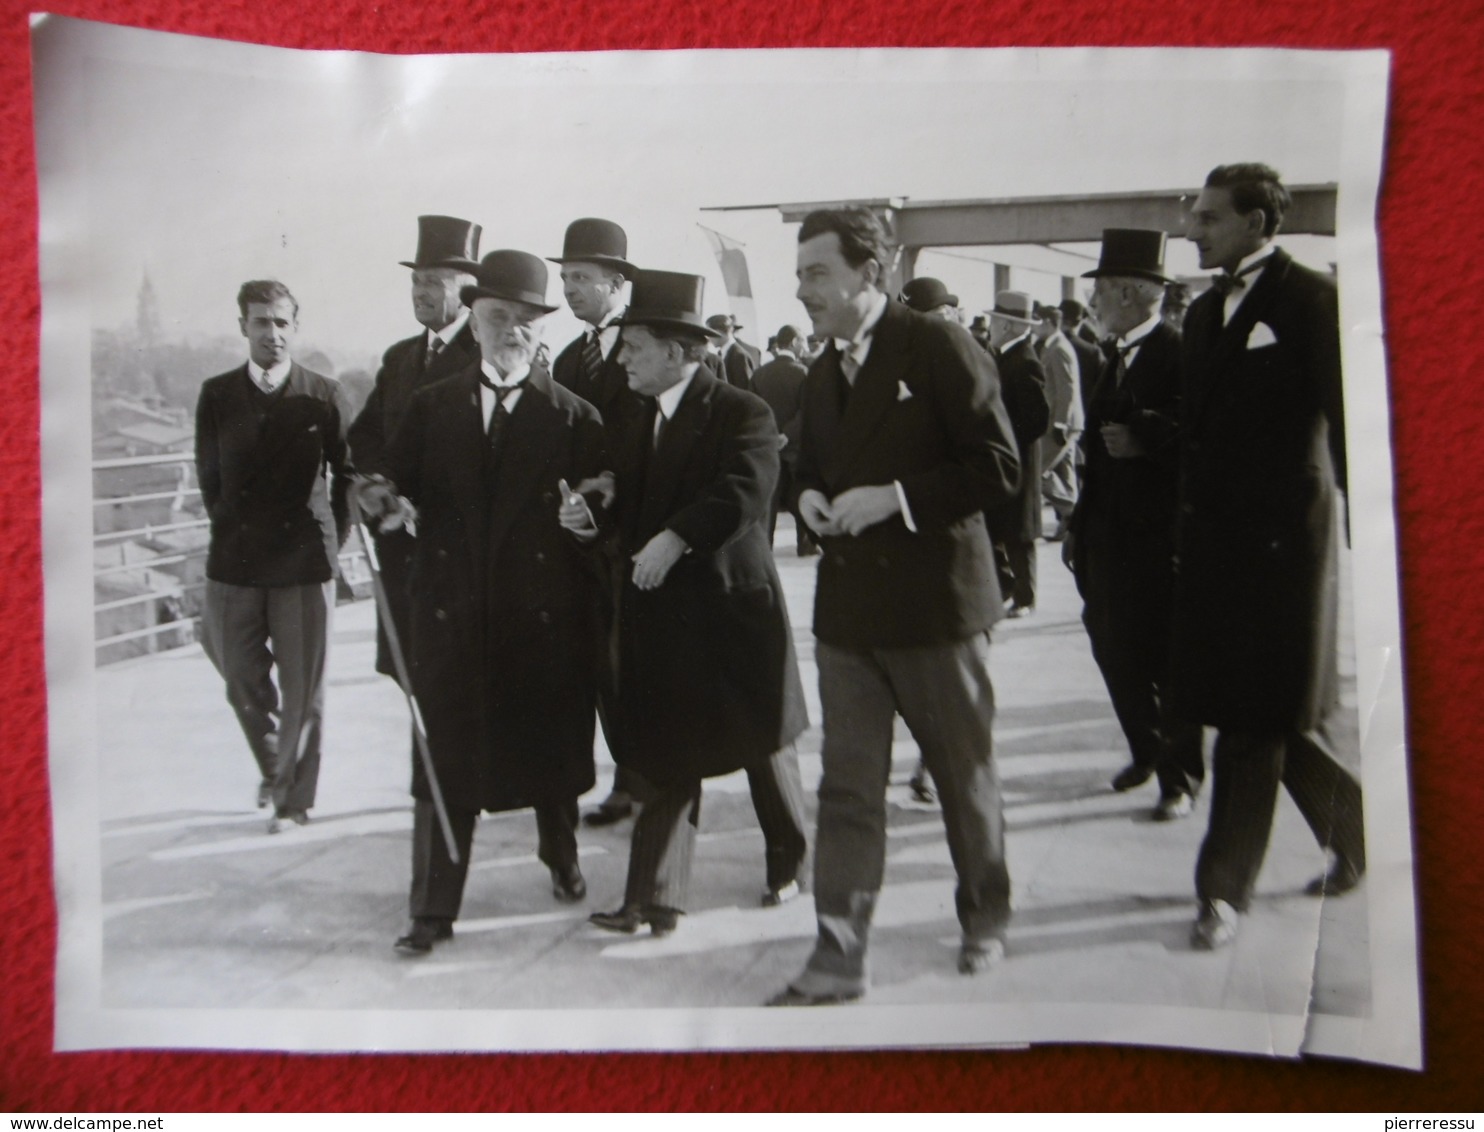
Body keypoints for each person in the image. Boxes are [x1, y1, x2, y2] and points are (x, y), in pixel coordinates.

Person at [770, 208, 1021, 1005]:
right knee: (846, 791)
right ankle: (839, 955)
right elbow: (806, 463)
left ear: (866, 274)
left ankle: (985, 917)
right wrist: (808, 495)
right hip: (850, 618)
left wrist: (897, 499)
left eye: (816, 272)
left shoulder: (938, 344)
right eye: (801, 272)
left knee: (961, 777)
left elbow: (998, 467)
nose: (801, 287)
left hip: (936, 613)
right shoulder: (822, 369)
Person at [356, 250, 609, 956]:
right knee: (445, 767)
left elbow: (601, 523)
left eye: (525, 320)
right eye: (498, 317)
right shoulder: (429, 408)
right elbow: (391, 484)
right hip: (453, 617)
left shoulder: (575, 419)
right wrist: (378, 498)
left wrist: (587, 524)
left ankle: (560, 854)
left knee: (550, 758)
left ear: (539, 330)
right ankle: (433, 909)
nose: (511, 331)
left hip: (541, 621)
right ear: (473, 320)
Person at [584, 269, 810, 937]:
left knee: (765, 747)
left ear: (679, 352)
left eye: (634, 347)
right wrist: (593, 507)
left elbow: (744, 491)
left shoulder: (743, 410)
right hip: (663, 614)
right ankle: (652, 899)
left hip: (732, 612)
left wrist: (675, 537)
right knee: (666, 750)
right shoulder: (632, 412)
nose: (621, 359)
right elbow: (621, 489)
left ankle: (789, 862)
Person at [1175, 163, 1365, 949]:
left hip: (1287, 549)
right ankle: (1360, 832)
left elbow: (1350, 425)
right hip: (1219, 547)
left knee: (1251, 726)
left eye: (1212, 218)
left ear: (1258, 224)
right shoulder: (1201, 315)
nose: (1196, 229)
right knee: (1268, 716)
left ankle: (1221, 892)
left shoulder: (1312, 301)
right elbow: (1204, 429)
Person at [194, 280, 353, 833]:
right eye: (261, 322)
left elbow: (348, 477)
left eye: (282, 322)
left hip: (304, 564)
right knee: (238, 675)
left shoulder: (324, 395)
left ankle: (292, 800)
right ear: (243, 327)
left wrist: (335, 543)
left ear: (295, 327)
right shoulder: (217, 394)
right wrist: (232, 529)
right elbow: (209, 477)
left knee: (304, 690)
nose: (273, 334)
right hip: (234, 562)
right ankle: (274, 765)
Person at [1070, 229, 1205, 822]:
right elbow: (1097, 457)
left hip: (1155, 538)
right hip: (1105, 536)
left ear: (1129, 292)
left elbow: (1203, 433)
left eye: (1099, 291)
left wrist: (1145, 436)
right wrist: (1078, 528)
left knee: (1165, 658)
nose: (1093, 302)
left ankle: (1180, 777)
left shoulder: (1179, 352)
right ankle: (1146, 750)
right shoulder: (1111, 356)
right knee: (1110, 644)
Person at [546, 217, 654, 829]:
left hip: (644, 531)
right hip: (587, 540)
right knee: (602, 662)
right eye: (564, 279)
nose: (570, 289)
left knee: (641, 661)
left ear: (617, 282)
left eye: (582, 278)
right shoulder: (566, 358)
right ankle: (625, 776)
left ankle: (649, 775)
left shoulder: (653, 344)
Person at [348, 215, 481, 683]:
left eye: (434, 283)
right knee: (414, 681)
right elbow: (364, 435)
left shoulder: (486, 356)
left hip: (457, 554)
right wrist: (378, 482)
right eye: (415, 282)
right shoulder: (400, 357)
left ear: (467, 291)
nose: (420, 293)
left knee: (457, 684)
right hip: (399, 548)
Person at [985, 291, 1051, 618]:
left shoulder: (1025, 362)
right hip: (1005, 460)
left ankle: (1026, 597)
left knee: (1020, 534)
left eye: (996, 321)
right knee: (1004, 527)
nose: (990, 326)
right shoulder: (1003, 356)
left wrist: (1005, 434)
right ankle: (1010, 589)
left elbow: (1037, 418)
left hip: (1019, 461)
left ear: (1009, 326)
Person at [749, 323, 818, 555]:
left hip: (767, 445)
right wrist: (787, 435)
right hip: (797, 446)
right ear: (796, 342)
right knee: (802, 492)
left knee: (768, 498)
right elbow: (807, 411)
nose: (805, 347)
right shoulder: (804, 373)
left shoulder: (759, 374)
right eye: (803, 342)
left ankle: (763, 547)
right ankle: (806, 544)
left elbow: (752, 411)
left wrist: (770, 436)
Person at [1032, 303, 1083, 543]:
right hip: (1067, 422)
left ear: (1050, 323)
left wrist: (1061, 423)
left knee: (1037, 470)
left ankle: (1073, 513)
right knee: (1065, 472)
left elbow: (1067, 389)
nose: (1035, 327)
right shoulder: (1053, 347)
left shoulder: (1058, 348)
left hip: (1062, 423)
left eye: (1038, 322)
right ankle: (1070, 526)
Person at [705, 312, 760, 390]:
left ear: (718, 332)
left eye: (709, 333)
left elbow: (745, 391)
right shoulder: (723, 353)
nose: (708, 338)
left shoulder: (739, 356)